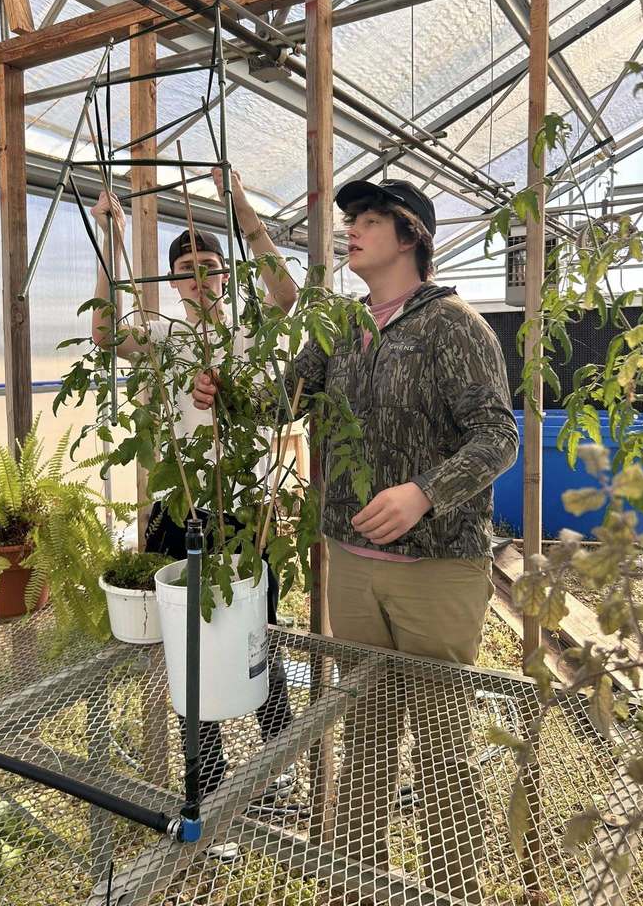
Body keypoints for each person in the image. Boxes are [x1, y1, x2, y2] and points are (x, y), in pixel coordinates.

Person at [194, 177, 519, 903]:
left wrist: (423, 493)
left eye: (369, 220)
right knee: (365, 731)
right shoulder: (342, 327)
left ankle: (452, 890)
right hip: (351, 563)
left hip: (436, 568)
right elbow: (284, 401)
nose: (352, 231)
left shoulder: (454, 325)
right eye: (350, 221)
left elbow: (499, 436)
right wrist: (228, 396)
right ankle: (356, 884)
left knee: (440, 742)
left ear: (410, 236)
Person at [90, 171, 299, 814]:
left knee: (252, 628)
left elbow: (286, 290)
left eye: (211, 266)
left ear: (226, 276)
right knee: (188, 638)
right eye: (188, 268)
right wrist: (109, 238)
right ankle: (206, 776)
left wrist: (239, 202)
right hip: (176, 507)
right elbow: (102, 332)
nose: (201, 277)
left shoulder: (248, 332)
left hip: (240, 506)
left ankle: (278, 762)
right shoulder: (158, 338)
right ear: (174, 282)